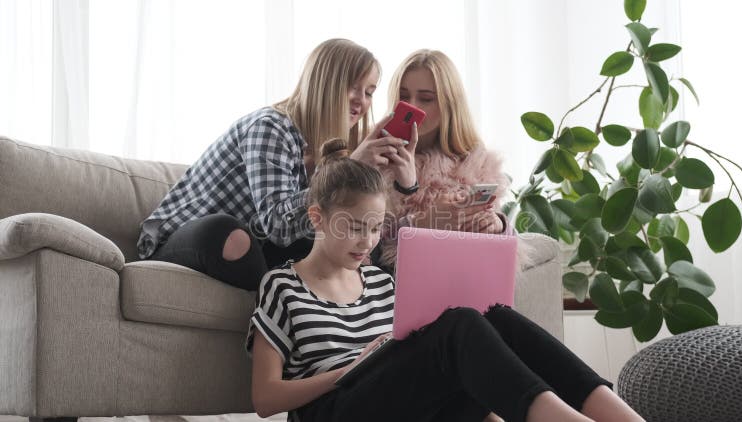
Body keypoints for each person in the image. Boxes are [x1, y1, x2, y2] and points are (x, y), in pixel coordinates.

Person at [247, 138, 644, 422]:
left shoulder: (382, 284)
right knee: (460, 323)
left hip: (401, 404)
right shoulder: (283, 286)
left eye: (374, 229)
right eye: (353, 227)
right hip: (333, 409)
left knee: (496, 317)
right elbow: (265, 399)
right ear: (317, 218)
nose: (366, 242)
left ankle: (621, 416)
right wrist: (350, 370)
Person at [135, 38, 415, 291]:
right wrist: (345, 172)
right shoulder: (270, 127)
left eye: (369, 92)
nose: (362, 101)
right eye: (352, 87)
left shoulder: (333, 147)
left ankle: (325, 313)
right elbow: (278, 225)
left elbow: (343, 230)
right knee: (228, 233)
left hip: (259, 246)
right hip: (187, 240)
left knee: (341, 253)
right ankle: (287, 303)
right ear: (324, 84)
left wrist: (405, 184)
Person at [376, 49, 511, 269]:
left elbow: (504, 256)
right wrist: (421, 224)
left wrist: (498, 226)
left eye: (426, 98)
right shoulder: (379, 161)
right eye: (403, 96)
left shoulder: (478, 165)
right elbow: (367, 250)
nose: (412, 106)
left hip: (467, 282)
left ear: (449, 104)